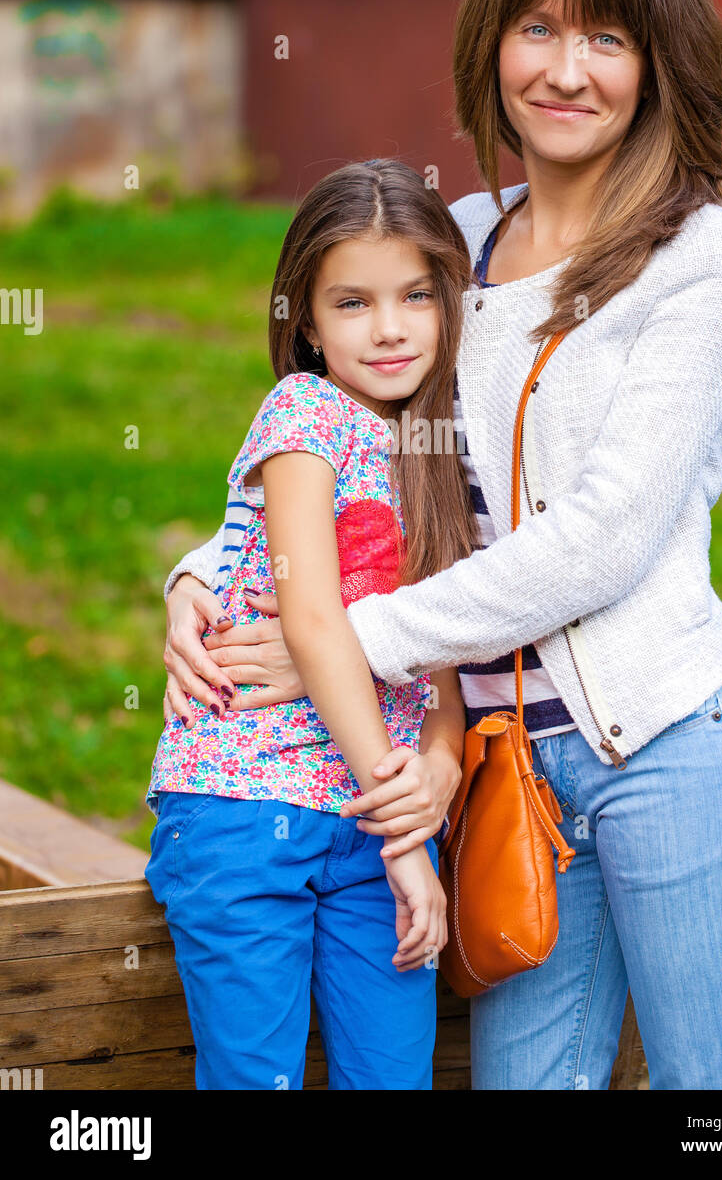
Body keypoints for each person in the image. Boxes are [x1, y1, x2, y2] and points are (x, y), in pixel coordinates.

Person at [161, 0, 722, 1090]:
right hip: (503, 770)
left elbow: (601, 538)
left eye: (606, 38)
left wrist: (339, 646)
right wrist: (201, 572)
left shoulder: (699, 256)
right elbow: (343, 446)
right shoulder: (452, 243)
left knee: (715, 1095)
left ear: (653, 63)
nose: (567, 70)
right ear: (491, 45)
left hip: (664, 744)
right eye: (538, 30)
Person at [145, 158, 475, 1090]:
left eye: (416, 295)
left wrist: (431, 780)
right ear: (306, 320)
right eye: (352, 303)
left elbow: (439, 658)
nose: (390, 329)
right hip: (248, 807)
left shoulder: (438, 449)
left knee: (394, 1073)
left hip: (372, 817)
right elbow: (314, 619)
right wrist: (409, 845)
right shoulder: (306, 415)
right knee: (257, 1078)